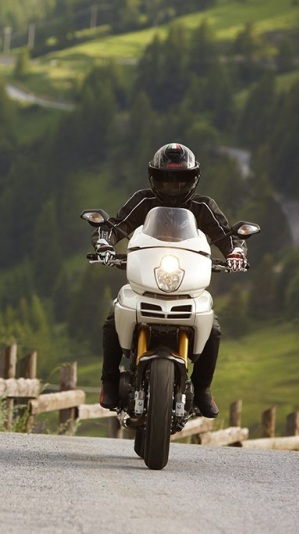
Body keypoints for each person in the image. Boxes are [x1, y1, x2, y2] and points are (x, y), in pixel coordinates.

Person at [91, 142, 247, 418]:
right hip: (146, 280)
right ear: (154, 176)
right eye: (166, 177)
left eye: (181, 178)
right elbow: (117, 226)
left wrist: (235, 251)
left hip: (186, 284)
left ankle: (202, 389)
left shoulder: (203, 206)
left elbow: (224, 235)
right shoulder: (143, 200)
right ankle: (109, 381)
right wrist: (105, 243)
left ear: (194, 179)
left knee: (213, 327)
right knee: (115, 315)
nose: (173, 184)